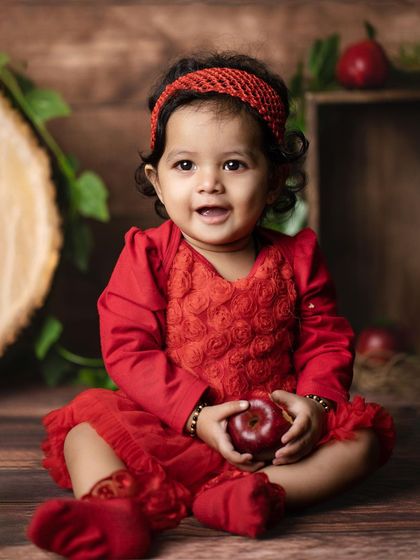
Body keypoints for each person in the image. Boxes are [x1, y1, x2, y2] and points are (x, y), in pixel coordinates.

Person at [28, 52, 395, 559]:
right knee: (88, 427)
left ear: (273, 180)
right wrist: (196, 416)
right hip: (169, 427)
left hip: (273, 437)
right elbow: (128, 350)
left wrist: (312, 406)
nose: (209, 182)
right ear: (157, 181)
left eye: (233, 164)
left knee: (365, 441)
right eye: (185, 165)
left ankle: (261, 493)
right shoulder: (150, 255)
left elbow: (326, 341)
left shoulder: (296, 257)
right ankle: (113, 508)